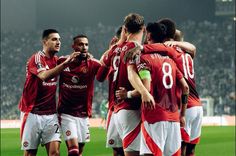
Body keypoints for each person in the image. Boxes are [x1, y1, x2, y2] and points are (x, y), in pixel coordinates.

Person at [143, 19, 203, 156]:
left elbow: (151, 49)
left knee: (178, 149)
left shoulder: (170, 51)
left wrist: (140, 48)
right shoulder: (187, 54)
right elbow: (193, 47)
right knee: (191, 150)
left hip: (185, 106)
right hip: (197, 106)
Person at [18, 29, 80, 156]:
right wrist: (66, 63)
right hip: (32, 113)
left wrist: (85, 55)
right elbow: (44, 76)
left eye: (59, 39)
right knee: (30, 153)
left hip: (51, 114)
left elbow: (74, 61)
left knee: (55, 153)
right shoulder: (36, 58)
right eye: (54, 39)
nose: (58, 42)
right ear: (45, 42)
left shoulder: (57, 60)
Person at [57, 34, 101, 156]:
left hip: (83, 114)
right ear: (74, 46)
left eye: (86, 44)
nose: (84, 47)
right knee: (74, 151)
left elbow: (105, 70)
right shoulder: (62, 61)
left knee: (79, 151)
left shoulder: (93, 63)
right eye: (80, 44)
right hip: (66, 113)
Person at [96, 26, 126, 156]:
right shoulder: (136, 49)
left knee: (119, 151)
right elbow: (100, 77)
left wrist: (109, 51)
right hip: (122, 107)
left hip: (116, 109)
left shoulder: (111, 53)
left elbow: (99, 77)